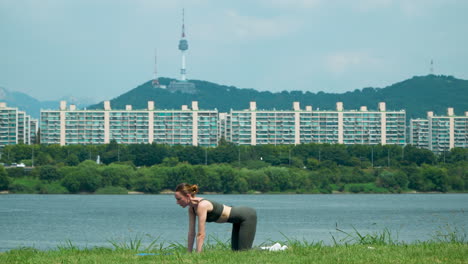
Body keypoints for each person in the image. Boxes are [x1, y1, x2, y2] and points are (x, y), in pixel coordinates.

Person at [174, 183, 257, 252]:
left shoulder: (202, 205)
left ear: (188, 196)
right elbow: (191, 233)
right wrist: (189, 254)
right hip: (236, 221)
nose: (177, 202)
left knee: (243, 252)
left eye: (179, 199)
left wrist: (198, 255)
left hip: (247, 216)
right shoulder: (191, 209)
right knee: (236, 252)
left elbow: (201, 234)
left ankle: (266, 250)